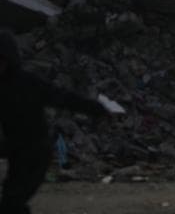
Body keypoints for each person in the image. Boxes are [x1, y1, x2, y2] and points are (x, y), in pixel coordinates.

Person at [1, 30, 110, 214]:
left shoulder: (28, 83)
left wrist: (95, 108)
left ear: (9, 59)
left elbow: (62, 97)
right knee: (11, 201)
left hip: (36, 151)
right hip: (16, 152)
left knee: (12, 203)